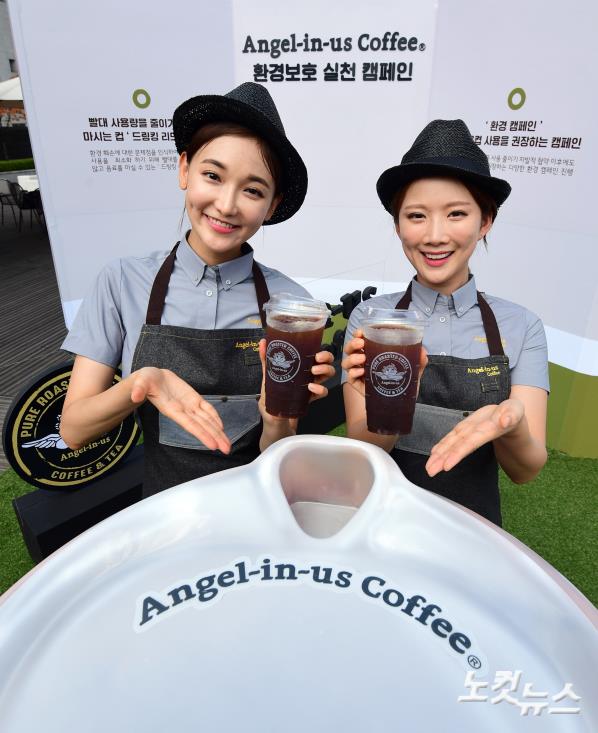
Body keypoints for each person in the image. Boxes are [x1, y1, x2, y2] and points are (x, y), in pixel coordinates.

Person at [60, 82, 334, 496]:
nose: (226, 205)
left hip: (259, 507)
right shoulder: (122, 281)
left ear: (272, 205)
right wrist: (144, 383)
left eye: (253, 190)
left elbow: (279, 454)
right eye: (213, 176)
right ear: (184, 169)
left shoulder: (291, 307)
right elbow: (74, 429)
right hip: (164, 509)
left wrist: (277, 419)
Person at [342, 119, 548, 525]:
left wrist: (511, 422)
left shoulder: (522, 326)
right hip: (381, 524)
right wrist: (395, 398)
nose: (435, 235)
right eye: (416, 215)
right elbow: (365, 451)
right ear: (398, 225)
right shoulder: (371, 320)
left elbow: (525, 470)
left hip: (474, 529)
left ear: (485, 221)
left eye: (456, 213)